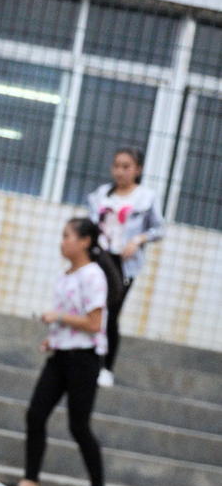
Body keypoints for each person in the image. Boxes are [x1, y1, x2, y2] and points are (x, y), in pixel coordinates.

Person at [0, 218, 115, 486]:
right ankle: (30, 483)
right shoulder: (66, 276)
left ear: (85, 241)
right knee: (36, 414)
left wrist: (57, 317)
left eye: (67, 236)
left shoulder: (93, 276)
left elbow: (94, 323)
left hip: (84, 359)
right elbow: (73, 321)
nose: (63, 242)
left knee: (79, 424)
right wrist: (54, 338)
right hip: (61, 354)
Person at [86, 147, 164, 387]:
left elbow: (158, 229)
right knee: (92, 310)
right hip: (100, 258)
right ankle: (86, 362)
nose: (120, 171)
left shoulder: (145, 198)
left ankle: (106, 367)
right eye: (116, 166)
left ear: (137, 170)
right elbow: (89, 226)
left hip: (124, 264)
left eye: (126, 166)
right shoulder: (101, 195)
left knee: (111, 313)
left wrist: (138, 240)